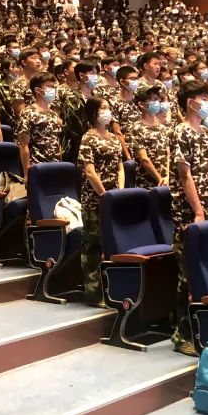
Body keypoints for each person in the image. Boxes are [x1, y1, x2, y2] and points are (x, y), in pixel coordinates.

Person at [169, 81, 208, 356]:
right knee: (188, 274)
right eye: (202, 97)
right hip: (189, 212)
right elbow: (185, 174)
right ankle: (182, 335)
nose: (207, 102)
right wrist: (199, 210)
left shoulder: (206, 132)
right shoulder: (181, 131)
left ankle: (207, 331)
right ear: (190, 102)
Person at [78, 98, 125, 306]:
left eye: (108, 107)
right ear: (94, 113)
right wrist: (104, 195)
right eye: (103, 108)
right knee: (93, 246)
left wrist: (119, 193)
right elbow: (89, 171)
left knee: (112, 245)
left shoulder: (114, 138)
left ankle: (112, 290)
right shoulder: (88, 138)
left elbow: (120, 166)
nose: (107, 111)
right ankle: (94, 293)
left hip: (113, 200)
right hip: (95, 201)